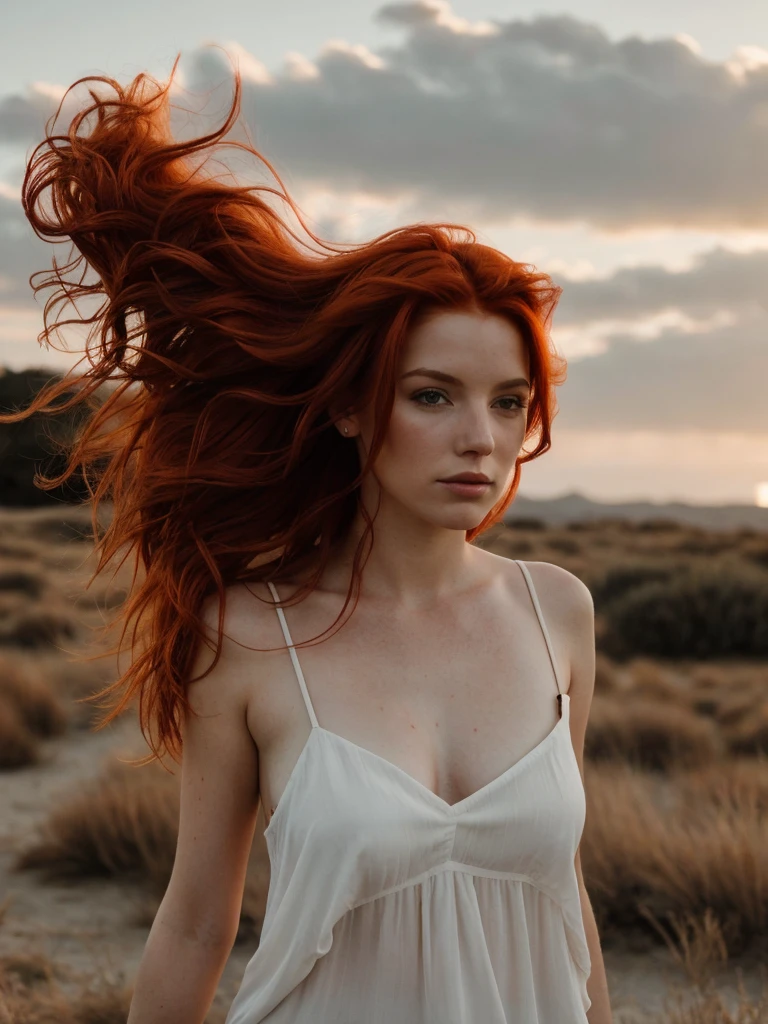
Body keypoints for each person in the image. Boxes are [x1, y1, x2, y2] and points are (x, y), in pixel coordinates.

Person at [5, 57, 613, 1024]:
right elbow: (198, 922)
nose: (481, 439)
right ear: (346, 409)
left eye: (510, 403)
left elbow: (563, 900)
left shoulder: (557, 613)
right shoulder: (248, 634)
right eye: (431, 396)